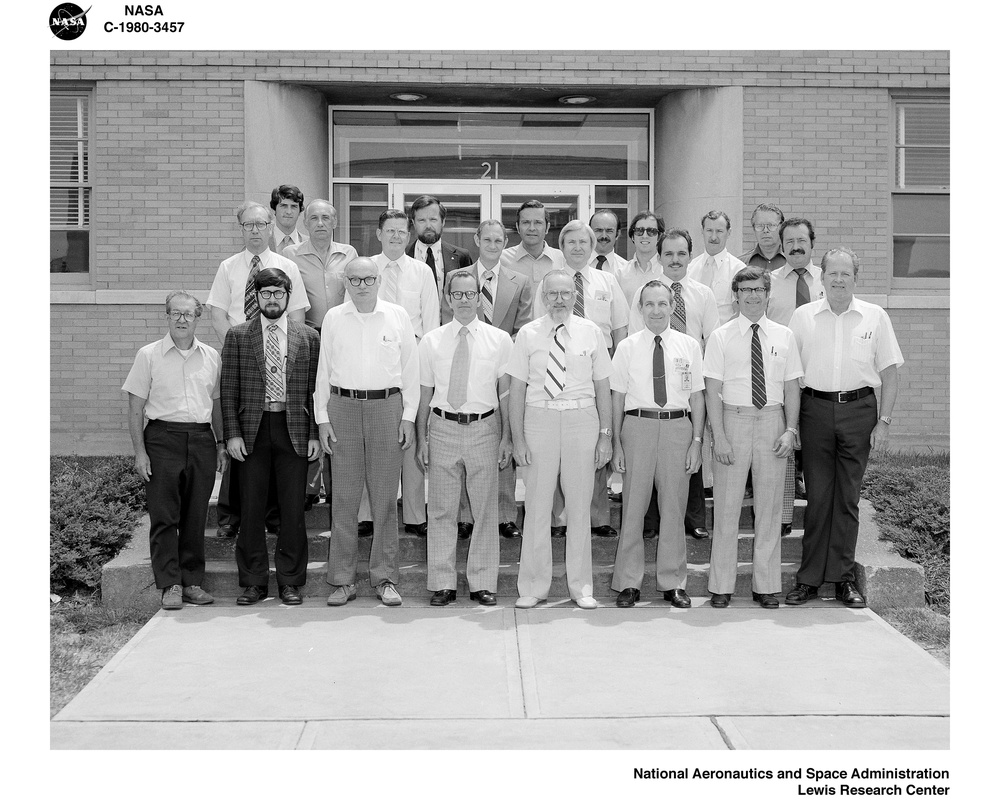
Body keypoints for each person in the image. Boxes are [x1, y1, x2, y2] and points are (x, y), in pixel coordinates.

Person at [786, 247, 903, 609]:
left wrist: (883, 422)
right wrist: (792, 424)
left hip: (859, 411)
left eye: (845, 273)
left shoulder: (875, 316)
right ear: (821, 277)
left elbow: (890, 374)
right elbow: (790, 375)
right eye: (832, 273)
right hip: (815, 410)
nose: (838, 279)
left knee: (848, 497)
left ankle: (842, 579)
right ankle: (808, 579)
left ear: (856, 278)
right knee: (819, 497)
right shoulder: (803, 317)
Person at [315, 257, 419, 608]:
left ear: (378, 281)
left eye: (368, 279)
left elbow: (411, 371)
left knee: (385, 499)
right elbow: (323, 371)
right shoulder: (334, 318)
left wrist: (408, 417)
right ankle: (342, 580)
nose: (362, 285)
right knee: (344, 498)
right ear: (345, 282)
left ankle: (385, 578)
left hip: (386, 408)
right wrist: (322, 418)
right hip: (342, 408)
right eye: (355, 279)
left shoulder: (397, 316)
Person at [508, 270, 613, 610]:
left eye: (565, 293)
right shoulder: (527, 334)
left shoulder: (591, 332)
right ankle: (533, 586)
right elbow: (516, 390)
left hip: (582, 420)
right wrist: (518, 439)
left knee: (579, 507)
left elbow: (603, 387)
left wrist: (605, 436)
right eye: (552, 293)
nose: (559, 300)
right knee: (537, 505)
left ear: (574, 296)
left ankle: (581, 586)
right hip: (539, 419)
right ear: (543, 297)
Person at [206, 201, 309, 539]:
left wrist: (280, 347)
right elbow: (218, 314)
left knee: (276, 442)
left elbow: (296, 313)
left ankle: (274, 515)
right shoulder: (228, 267)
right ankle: (231, 514)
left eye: (261, 224)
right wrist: (241, 349)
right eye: (248, 225)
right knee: (239, 432)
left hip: (280, 359)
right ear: (241, 229)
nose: (254, 230)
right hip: (242, 359)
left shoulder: (286, 266)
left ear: (270, 227)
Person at [703, 266, 803, 609]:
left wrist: (791, 430)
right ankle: (721, 585)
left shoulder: (784, 336)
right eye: (745, 290)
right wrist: (719, 436)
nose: (752, 296)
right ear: (736, 296)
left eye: (759, 289)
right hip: (734, 421)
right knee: (726, 508)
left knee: (770, 509)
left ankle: (766, 585)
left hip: (773, 422)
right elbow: (711, 390)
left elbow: (792, 387)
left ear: (768, 294)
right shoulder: (721, 336)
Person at [221, 268, 321, 606]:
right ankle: (253, 582)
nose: (273, 299)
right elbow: (228, 388)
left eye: (279, 293)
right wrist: (231, 434)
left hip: (294, 428)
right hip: (252, 429)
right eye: (266, 293)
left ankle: (290, 581)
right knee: (251, 508)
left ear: (288, 296)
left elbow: (315, 390)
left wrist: (315, 433)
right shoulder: (238, 335)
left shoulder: (308, 337)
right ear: (256, 297)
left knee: (293, 510)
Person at [123, 291, 226, 610]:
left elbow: (217, 404)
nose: (182, 319)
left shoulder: (211, 356)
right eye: (176, 313)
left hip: (201, 440)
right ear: (167, 316)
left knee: (196, 515)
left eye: (188, 314)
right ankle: (170, 585)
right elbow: (135, 408)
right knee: (164, 515)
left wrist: (221, 443)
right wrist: (140, 452)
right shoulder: (148, 355)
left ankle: (192, 582)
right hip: (161, 439)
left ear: (198, 318)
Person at [417, 270, 514, 606]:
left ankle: (482, 582)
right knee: (441, 510)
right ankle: (442, 583)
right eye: (456, 294)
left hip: (484, 428)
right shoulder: (431, 341)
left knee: (485, 509)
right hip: (442, 427)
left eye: (469, 294)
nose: (463, 300)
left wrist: (507, 437)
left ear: (479, 297)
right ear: (448, 298)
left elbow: (505, 394)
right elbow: (424, 392)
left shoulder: (499, 340)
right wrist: (421, 437)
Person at [610, 281, 705, 609]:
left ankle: (672, 581)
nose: (656, 310)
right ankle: (628, 582)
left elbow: (698, 396)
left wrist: (696, 441)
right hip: (638, 427)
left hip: (678, 428)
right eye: (649, 304)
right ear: (640, 308)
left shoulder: (689, 345)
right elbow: (617, 396)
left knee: (674, 508)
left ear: (672, 306)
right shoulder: (627, 347)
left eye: (662, 303)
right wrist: (616, 443)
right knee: (633, 508)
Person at [530, 220, 627, 539]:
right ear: (561, 247)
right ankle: (559, 517)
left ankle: (597, 516)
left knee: (598, 442)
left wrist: (615, 372)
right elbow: (538, 327)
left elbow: (620, 327)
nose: (577, 247)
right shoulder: (550, 282)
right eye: (570, 242)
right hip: (558, 367)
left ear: (592, 247)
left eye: (583, 242)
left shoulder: (607, 280)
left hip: (598, 368)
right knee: (560, 448)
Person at [444, 219, 532, 539]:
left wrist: (504, 353)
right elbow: (449, 320)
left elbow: (523, 328)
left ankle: (505, 514)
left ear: (505, 243)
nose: (493, 245)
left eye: (499, 240)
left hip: (506, 367)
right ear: (477, 240)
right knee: (466, 443)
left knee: (505, 436)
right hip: (467, 366)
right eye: (488, 239)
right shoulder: (456, 278)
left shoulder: (520, 281)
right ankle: (465, 515)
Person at [629, 228, 719, 541]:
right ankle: (652, 520)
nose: (675, 259)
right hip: (653, 382)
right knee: (652, 460)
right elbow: (635, 336)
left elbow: (713, 339)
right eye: (668, 253)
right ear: (660, 256)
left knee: (691, 453)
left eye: (681, 253)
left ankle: (693, 518)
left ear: (690, 256)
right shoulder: (645, 293)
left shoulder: (703, 294)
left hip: (689, 382)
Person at [284, 199, 359, 508]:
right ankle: (310, 487)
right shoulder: (290, 255)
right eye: (313, 218)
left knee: (334, 408)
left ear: (335, 221)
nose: (320, 223)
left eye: (326, 217)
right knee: (308, 408)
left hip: (341, 340)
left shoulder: (349, 254)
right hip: (307, 338)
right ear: (305, 223)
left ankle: (336, 485)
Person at [370, 209, 440, 536]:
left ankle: (414, 514)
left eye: (402, 231)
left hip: (413, 362)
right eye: (390, 231)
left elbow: (432, 322)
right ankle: (371, 514)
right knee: (375, 441)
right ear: (379, 234)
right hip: (374, 364)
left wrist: (427, 368)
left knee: (412, 433)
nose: (396, 236)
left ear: (409, 236)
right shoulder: (366, 269)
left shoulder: (422, 272)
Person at [769, 217, 826, 530]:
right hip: (781, 379)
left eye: (801, 240)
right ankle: (783, 517)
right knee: (785, 448)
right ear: (781, 246)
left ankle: (818, 519)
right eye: (789, 241)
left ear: (812, 243)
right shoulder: (769, 282)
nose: (795, 246)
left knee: (815, 450)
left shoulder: (827, 280)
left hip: (820, 379)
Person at [405, 194, 473, 308]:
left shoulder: (462, 257)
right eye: (421, 220)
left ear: (443, 221)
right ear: (414, 223)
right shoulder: (403, 255)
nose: (428, 225)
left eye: (433, 219)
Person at [688, 210, 746, 325]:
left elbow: (740, 312)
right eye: (709, 230)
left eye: (719, 231)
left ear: (729, 233)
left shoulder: (739, 270)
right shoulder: (690, 268)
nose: (713, 237)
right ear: (702, 231)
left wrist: (718, 334)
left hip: (724, 335)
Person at [500, 200, 566, 293]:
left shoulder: (562, 259)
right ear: (518, 227)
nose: (532, 228)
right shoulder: (502, 259)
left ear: (547, 227)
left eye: (538, 222)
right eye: (526, 222)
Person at [612, 211, 664, 305]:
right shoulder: (620, 274)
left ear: (659, 237)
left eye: (651, 231)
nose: (645, 236)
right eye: (639, 231)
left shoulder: (666, 271)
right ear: (632, 236)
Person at [739, 202, 787, 272]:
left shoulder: (792, 261)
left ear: (781, 228)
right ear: (753, 229)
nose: (765, 230)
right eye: (760, 226)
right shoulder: (740, 265)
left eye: (771, 225)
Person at [588, 209, 629, 273]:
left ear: (618, 234)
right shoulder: (577, 265)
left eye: (609, 231)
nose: (604, 236)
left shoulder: (626, 270)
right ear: (590, 233)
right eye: (599, 230)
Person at [268, 184, 306, 254]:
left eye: (294, 206)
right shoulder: (261, 241)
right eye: (283, 206)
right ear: (273, 210)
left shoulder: (309, 244)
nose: (289, 212)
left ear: (300, 211)